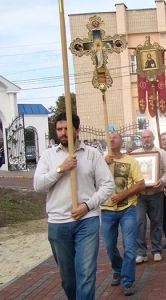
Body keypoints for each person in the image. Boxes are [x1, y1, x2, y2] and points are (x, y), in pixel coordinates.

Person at [33, 112, 115, 300]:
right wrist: (61, 169)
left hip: (87, 221)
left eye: (67, 129)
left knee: (86, 273)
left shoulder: (92, 155)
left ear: (77, 130)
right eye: (59, 129)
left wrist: (88, 205)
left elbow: (107, 184)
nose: (63, 133)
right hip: (58, 222)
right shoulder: (48, 156)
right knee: (68, 278)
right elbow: (38, 186)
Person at [102, 132, 145, 296]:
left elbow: (140, 184)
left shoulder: (130, 161)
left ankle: (127, 281)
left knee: (129, 247)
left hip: (128, 209)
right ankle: (118, 268)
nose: (112, 139)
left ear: (121, 141)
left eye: (115, 137)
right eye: (109, 137)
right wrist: (102, 163)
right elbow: (89, 178)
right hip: (106, 210)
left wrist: (123, 195)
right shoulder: (99, 160)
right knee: (109, 246)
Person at [134, 129, 166, 263]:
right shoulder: (134, 155)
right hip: (139, 195)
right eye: (144, 137)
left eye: (148, 137)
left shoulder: (161, 153)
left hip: (156, 193)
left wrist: (162, 181)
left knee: (156, 222)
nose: (146, 139)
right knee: (139, 222)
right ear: (141, 139)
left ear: (153, 138)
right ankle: (141, 252)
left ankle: (156, 250)